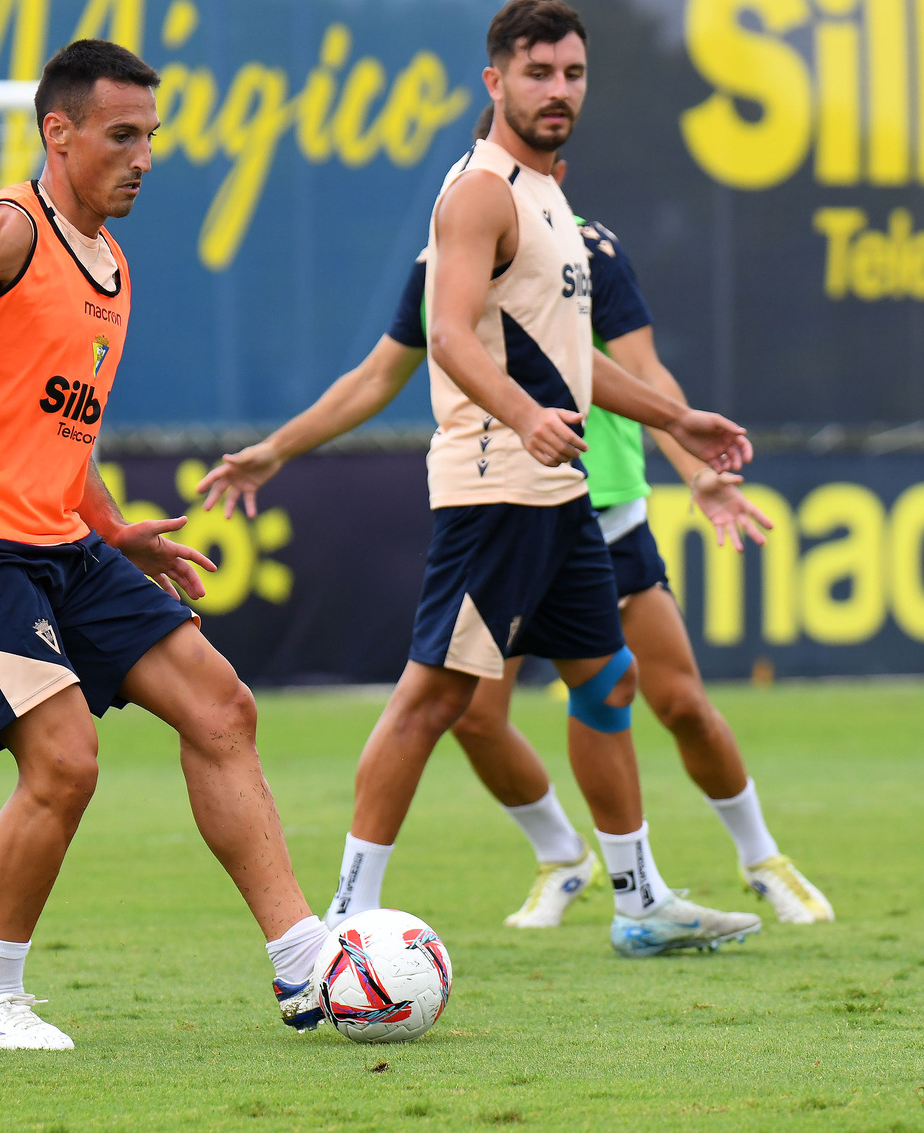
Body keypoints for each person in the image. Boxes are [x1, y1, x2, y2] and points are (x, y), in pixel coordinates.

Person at [200, 0, 762, 958]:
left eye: (572, 73)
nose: (558, 90)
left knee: (607, 681)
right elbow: (449, 336)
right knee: (434, 701)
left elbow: (576, 361)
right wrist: (524, 415)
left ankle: (638, 900)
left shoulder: (549, 199)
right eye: (538, 73)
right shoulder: (478, 194)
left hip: (560, 497)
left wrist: (677, 418)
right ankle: (342, 919)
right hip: (496, 489)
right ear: (495, 81)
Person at [0, 39, 328, 1051]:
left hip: (59, 543)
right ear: (58, 133)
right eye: (121, 136)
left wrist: (113, 530)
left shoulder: (112, 266)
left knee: (220, 705)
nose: (143, 157)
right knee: (63, 760)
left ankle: (304, 958)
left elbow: (59, 428)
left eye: (150, 137)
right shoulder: (4, 232)